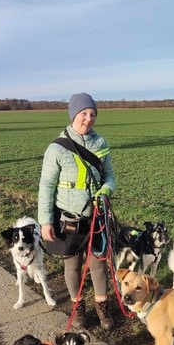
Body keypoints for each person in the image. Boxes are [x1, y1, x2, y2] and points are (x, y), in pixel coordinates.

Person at [38, 93, 116, 330]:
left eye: (92, 114)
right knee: (72, 265)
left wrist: (105, 190)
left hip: (96, 217)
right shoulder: (57, 148)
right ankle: (78, 307)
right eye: (84, 113)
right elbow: (46, 186)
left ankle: (102, 308)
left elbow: (109, 176)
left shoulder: (100, 143)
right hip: (68, 218)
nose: (88, 118)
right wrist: (45, 221)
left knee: (98, 264)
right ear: (73, 115)